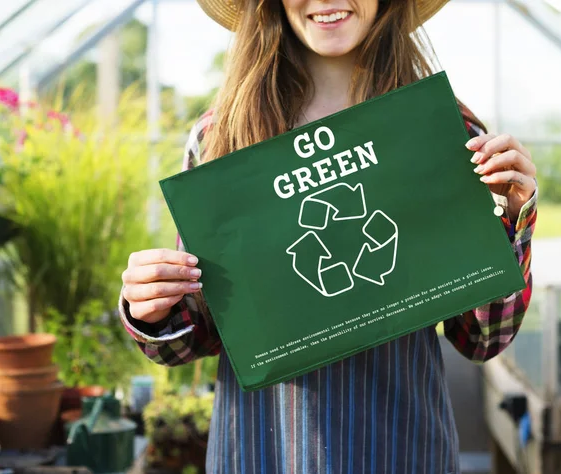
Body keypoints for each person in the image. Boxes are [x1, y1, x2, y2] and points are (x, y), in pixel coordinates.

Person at [119, 0, 538, 472]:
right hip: (264, 451)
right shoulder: (221, 138)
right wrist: (152, 306)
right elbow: (198, 335)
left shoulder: (446, 131)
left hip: (400, 449)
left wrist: (512, 220)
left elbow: (481, 338)